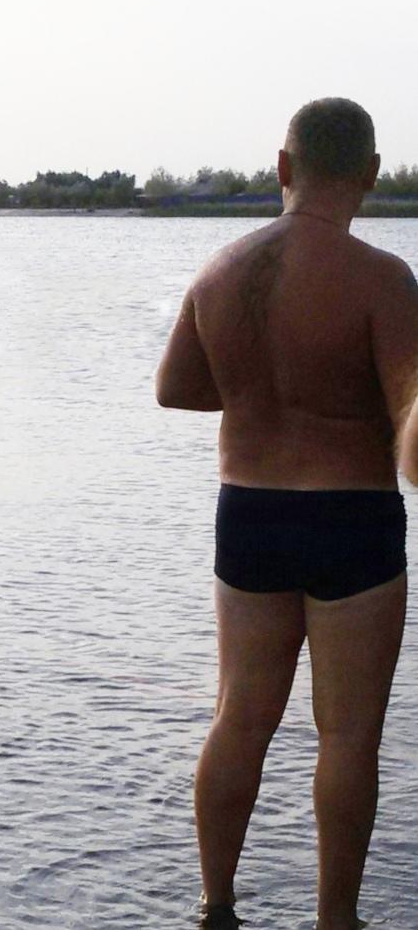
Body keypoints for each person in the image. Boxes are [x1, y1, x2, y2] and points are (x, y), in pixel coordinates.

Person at [156, 97, 418, 930]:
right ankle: (335, 920)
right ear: (370, 176)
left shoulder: (218, 269)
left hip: (249, 515)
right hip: (352, 520)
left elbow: (174, 389)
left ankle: (215, 905)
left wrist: (258, 396)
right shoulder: (380, 279)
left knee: (239, 715)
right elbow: (411, 414)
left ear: (280, 167)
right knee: (345, 737)